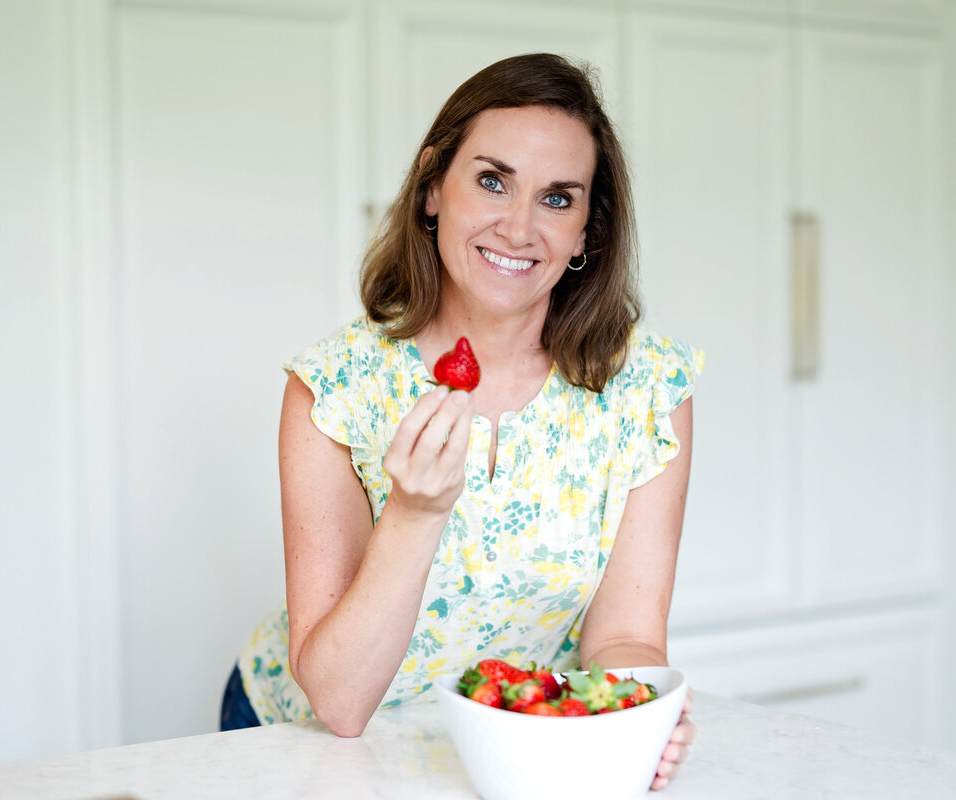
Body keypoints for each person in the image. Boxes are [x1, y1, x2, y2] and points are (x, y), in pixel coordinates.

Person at [223, 52, 703, 790]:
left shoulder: (645, 390)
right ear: (431, 191)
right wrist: (415, 511)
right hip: (310, 737)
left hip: (507, 748)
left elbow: (624, 635)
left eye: (558, 199)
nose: (519, 227)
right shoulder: (334, 389)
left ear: (587, 234)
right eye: (491, 180)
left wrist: (630, 715)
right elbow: (341, 704)